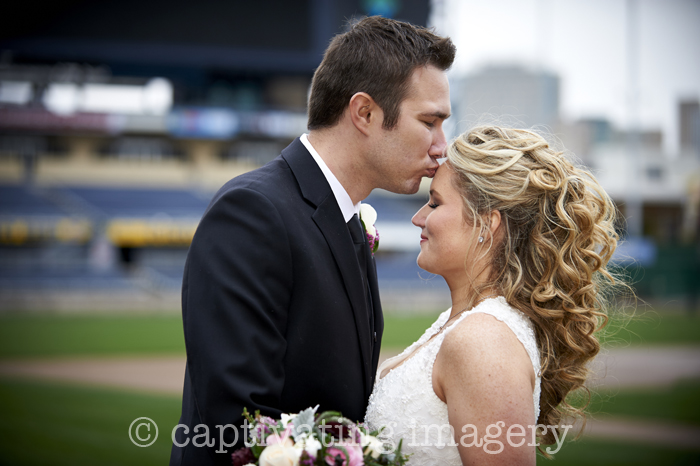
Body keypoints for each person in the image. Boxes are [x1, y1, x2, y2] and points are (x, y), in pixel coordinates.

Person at [170, 16, 455, 466]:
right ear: (364, 113)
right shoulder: (252, 213)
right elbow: (241, 433)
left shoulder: (348, 221)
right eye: (430, 122)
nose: (442, 146)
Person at [365, 125, 621, 465]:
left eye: (435, 203)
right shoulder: (461, 324)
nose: (418, 217)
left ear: (488, 224)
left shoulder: (482, 340)